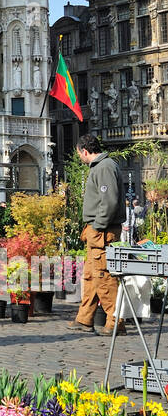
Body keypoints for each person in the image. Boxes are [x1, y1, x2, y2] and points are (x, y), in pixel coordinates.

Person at [69, 133, 126, 337]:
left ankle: (115, 320)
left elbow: (109, 202)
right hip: (98, 230)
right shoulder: (102, 167)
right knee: (92, 276)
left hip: (102, 231)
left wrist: (98, 226)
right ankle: (85, 318)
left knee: (104, 277)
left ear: (85, 151)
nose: (80, 158)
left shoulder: (104, 167)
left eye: (79, 155)